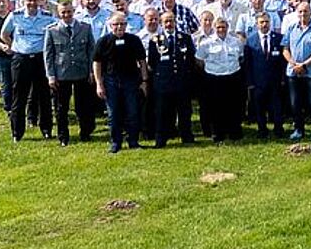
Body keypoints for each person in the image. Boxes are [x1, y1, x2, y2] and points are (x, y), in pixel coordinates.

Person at [1, 0, 55, 141]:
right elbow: (4, 34)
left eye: (35, 0)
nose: (32, 3)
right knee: (19, 96)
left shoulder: (48, 17)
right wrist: (14, 46)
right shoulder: (15, 16)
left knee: (44, 95)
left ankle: (46, 129)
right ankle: (17, 132)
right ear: (23, 1)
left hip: (40, 59)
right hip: (21, 59)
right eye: (29, 0)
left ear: (40, 1)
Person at [43, 0, 97, 146]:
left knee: (83, 106)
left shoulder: (85, 28)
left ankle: (85, 132)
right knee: (61, 108)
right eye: (63, 12)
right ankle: (63, 136)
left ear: (73, 11)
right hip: (62, 73)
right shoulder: (52, 30)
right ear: (58, 13)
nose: (66, 15)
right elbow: (48, 54)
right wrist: (51, 75)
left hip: (81, 72)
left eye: (69, 12)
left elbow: (91, 50)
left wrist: (91, 71)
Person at [93, 13, 147, 153]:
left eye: (122, 24)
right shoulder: (103, 41)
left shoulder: (134, 40)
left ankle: (133, 141)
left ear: (126, 25)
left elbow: (142, 61)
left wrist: (144, 80)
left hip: (131, 80)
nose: (119, 27)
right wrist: (99, 83)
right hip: (111, 81)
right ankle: (115, 143)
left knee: (132, 112)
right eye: (116, 24)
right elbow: (97, 63)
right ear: (110, 25)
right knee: (113, 114)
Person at [146, 13, 198, 147]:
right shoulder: (155, 40)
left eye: (171, 21)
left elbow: (190, 59)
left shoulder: (184, 38)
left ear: (175, 22)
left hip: (181, 81)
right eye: (166, 21)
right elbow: (152, 62)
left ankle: (187, 136)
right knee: (162, 112)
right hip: (163, 82)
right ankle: (161, 139)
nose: (169, 24)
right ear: (161, 23)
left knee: (184, 111)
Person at [194, 16, 246, 142]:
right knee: (216, 108)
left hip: (233, 76)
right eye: (218, 27)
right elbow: (199, 60)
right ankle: (218, 133)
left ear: (227, 27)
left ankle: (234, 132)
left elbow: (241, 57)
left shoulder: (236, 41)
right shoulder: (206, 43)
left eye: (223, 27)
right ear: (214, 28)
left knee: (234, 106)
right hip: (214, 78)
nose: (221, 30)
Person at [283, 2, 311, 142]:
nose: (303, 14)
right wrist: (293, 64)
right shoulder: (291, 28)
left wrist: (303, 65)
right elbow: (285, 49)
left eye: (306, 11)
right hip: (293, 72)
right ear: (297, 13)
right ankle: (298, 129)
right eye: (300, 11)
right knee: (295, 103)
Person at [242, 12, 285, 138]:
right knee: (259, 107)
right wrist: (250, 82)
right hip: (258, 81)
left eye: (266, 22)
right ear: (257, 24)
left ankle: (278, 129)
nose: (264, 24)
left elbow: (283, 62)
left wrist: (283, 78)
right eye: (261, 22)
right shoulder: (250, 40)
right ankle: (262, 130)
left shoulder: (279, 38)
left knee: (277, 106)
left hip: (275, 80)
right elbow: (247, 63)